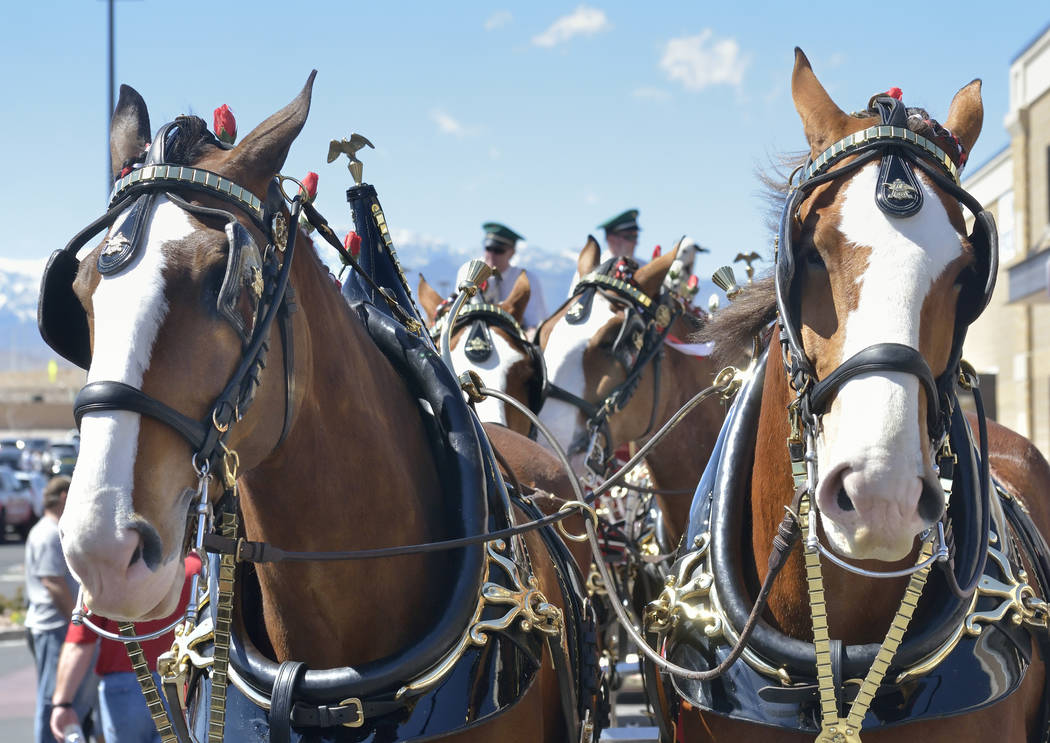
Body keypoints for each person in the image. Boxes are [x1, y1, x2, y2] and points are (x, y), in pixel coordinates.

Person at [50, 553, 202, 743]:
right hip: (181, 685)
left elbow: (80, 641)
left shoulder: (110, 569)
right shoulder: (197, 566)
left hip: (123, 687)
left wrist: (62, 703)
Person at [24, 476, 92, 743]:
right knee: (53, 695)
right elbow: (52, 582)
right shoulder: (49, 533)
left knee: (57, 692)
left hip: (48, 624)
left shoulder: (45, 529)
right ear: (65, 496)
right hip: (53, 626)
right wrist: (75, 623)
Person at [454, 222, 548, 334]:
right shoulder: (469, 271)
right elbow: (457, 313)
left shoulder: (527, 279)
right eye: (488, 248)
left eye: (499, 250)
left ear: (512, 253)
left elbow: (534, 323)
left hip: (514, 338)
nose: (492, 255)